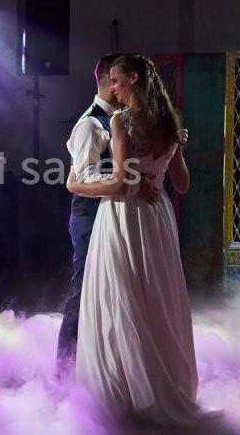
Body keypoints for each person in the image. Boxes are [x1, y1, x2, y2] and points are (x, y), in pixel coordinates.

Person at [66, 54, 201, 427]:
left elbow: (121, 184)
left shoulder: (121, 120)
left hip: (123, 216)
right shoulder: (170, 122)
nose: (112, 88)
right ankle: (160, 383)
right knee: (155, 297)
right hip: (158, 218)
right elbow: (184, 185)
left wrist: (75, 184)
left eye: (117, 81)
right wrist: (153, 174)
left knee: (119, 297)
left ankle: (126, 390)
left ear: (133, 79)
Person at [57, 53, 160, 373]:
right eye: (116, 80)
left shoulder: (123, 119)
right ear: (109, 83)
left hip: (113, 218)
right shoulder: (90, 123)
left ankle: (106, 368)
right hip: (90, 218)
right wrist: (131, 182)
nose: (122, 85)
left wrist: (133, 179)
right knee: (84, 291)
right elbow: (82, 177)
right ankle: (64, 370)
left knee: (111, 293)